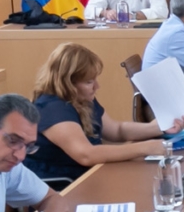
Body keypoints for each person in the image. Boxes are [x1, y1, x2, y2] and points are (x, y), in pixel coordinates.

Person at [29, 43, 168, 183]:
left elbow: (116, 130)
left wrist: (160, 127)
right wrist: (144, 148)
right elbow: (86, 155)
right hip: (67, 184)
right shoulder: (53, 109)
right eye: (89, 82)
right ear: (68, 83)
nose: (97, 86)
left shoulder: (80, 98)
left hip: (91, 175)